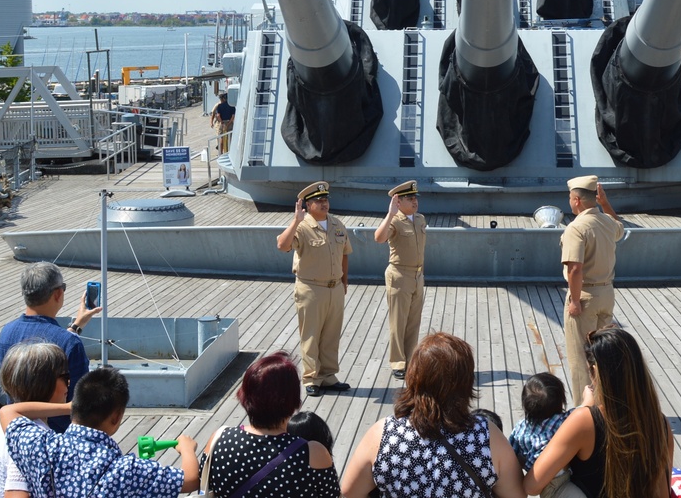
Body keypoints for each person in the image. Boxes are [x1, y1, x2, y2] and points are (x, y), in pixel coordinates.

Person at [339, 332, 525, 498]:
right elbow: (516, 494)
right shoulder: (486, 436)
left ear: (413, 378)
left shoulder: (383, 434)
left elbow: (349, 492)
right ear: (466, 383)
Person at [2, 366, 199, 497]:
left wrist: (67, 408)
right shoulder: (126, 470)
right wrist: (187, 448)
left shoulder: (43, 446)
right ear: (116, 417)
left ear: (76, 404)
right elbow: (190, 480)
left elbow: (9, 411)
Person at [523, 327, 673, 498]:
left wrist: (583, 407)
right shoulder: (660, 424)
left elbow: (532, 485)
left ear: (595, 371)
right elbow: (662, 493)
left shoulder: (585, 420)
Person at [200, 352, 340, 498]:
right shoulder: (314, 453)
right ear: (294, 401)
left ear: (244, 396)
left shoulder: (219, 440)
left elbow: (205, 485)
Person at [0, 261, 101, 432]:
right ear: (58, 293)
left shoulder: (6, 333)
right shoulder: (69, 343)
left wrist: (76, 326)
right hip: (56, 437)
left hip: (14, 428)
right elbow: (78, 402)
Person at [276, 181, 353, 397]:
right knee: (310, 335)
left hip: (335, 288)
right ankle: (311, 377)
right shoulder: (301, 227)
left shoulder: (337, 225)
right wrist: (294, 221)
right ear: (307, 205)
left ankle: (328, 376)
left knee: (331, 335)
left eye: (325, 200)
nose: (324, 204)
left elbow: (345, 254)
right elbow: (282, 246)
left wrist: (344, 282)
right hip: (311, 289)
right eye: (318, 201)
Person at [560, 175, 625, 406]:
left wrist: (575, 301)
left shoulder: (576, 228)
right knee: (604, 355)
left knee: (580, 358)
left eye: (570, 197)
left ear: (577, 200)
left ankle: (582, 410)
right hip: (607, 294)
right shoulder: (607, 222)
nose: (569, 201)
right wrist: (605, 203)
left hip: (585, 297)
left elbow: (575, 268)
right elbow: (620, 229)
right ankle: (606, 404)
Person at [0, 342, 67, 498]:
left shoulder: (1, 421)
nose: (69, 382)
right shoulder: (32, 436)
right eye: (64, 376)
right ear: (44, 384)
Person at [374, 180, 427, 381]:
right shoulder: (394, 221)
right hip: (399, 275)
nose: (415, 202)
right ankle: (398, 363)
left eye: (415, 198)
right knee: (398, 321)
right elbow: (378, 238)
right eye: (410, 198)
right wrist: (390, 214)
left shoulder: (420, 219)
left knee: (413, 321)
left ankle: (410, 359)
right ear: (399, 202)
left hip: (417, 275)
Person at [508, 373, 570, 498]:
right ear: (561, 401)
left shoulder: (520, 428)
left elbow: (512, 453)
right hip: (560, 478)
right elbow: (582, 409)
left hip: (541, 481)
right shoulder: (563, 421)